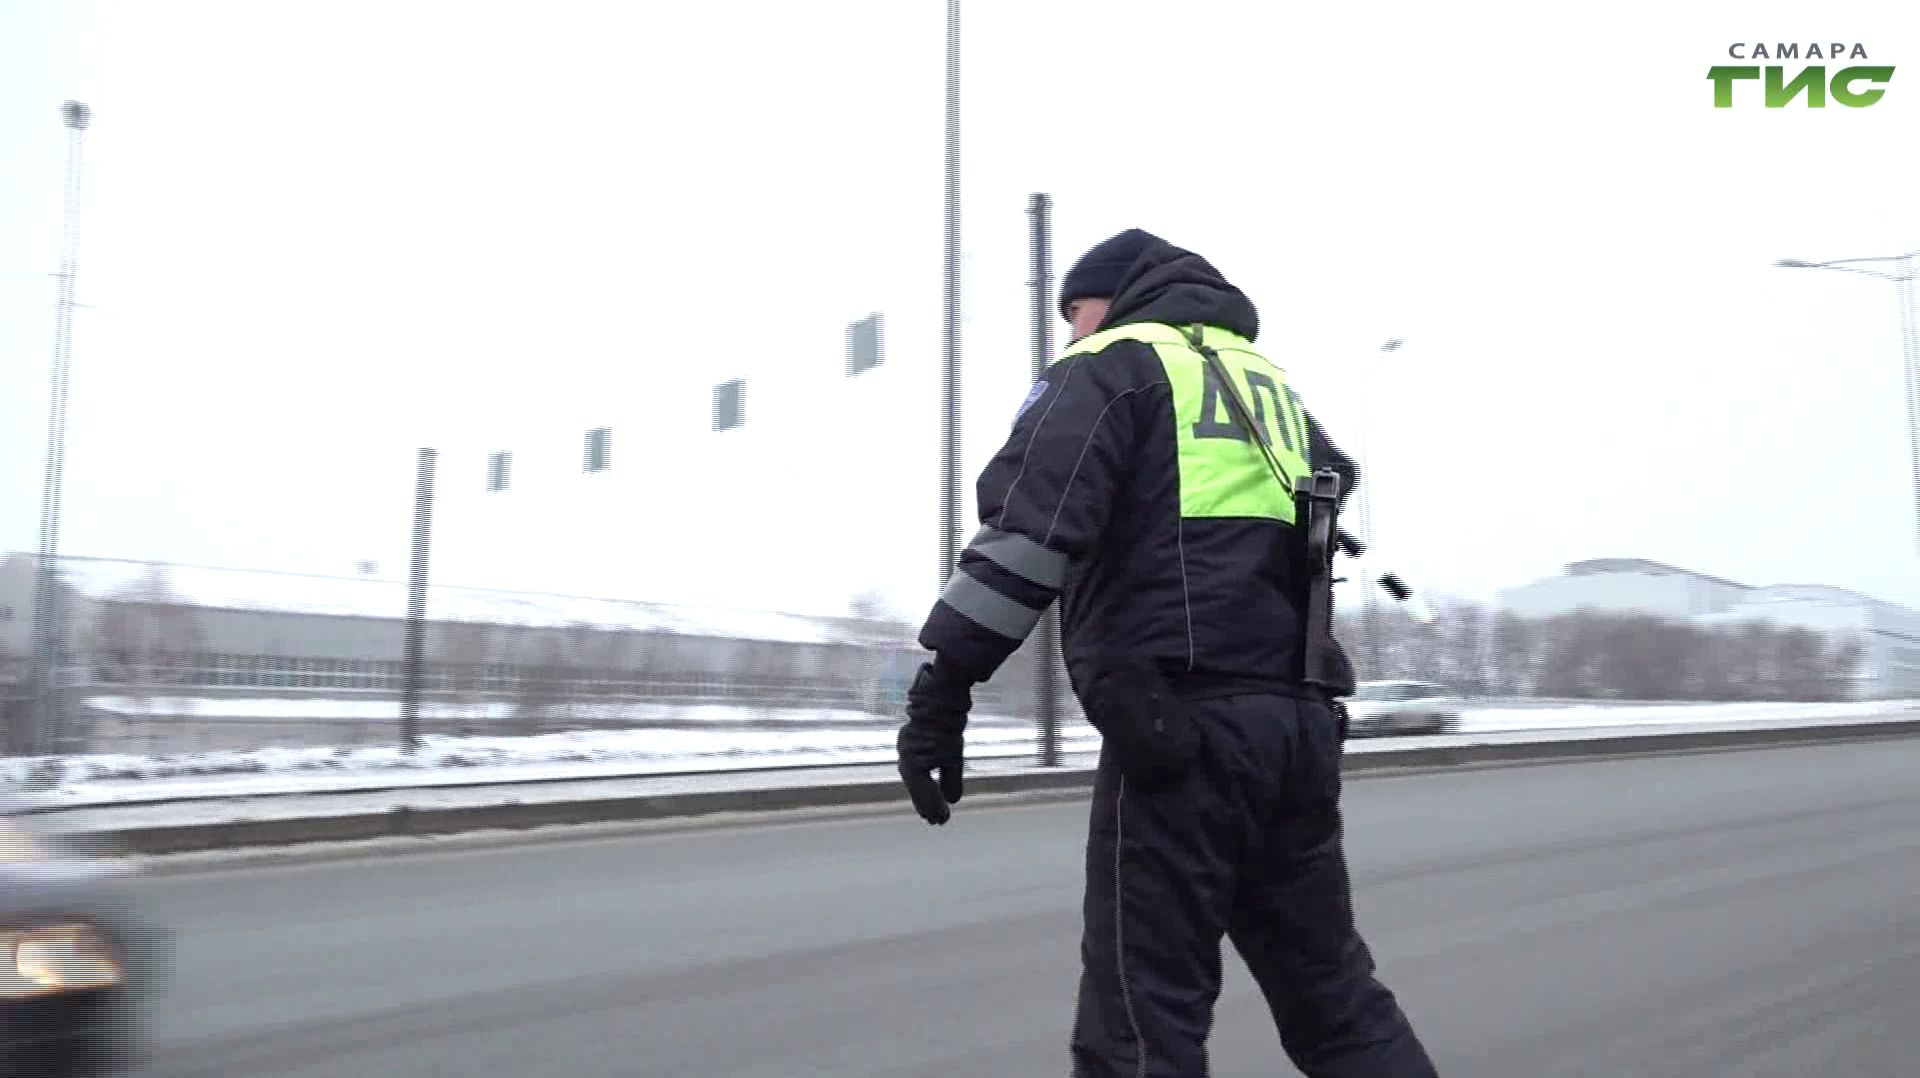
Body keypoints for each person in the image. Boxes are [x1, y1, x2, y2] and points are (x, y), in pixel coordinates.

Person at [896, 228, 1440, 1077]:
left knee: (1142, 1018)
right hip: (1297, 726)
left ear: (1109, 300)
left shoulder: (1111, 367)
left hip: (1176, 729)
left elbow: (1026, 542)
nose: (1070, 336)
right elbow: (1332, 484)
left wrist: (943, 691)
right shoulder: (1269, 387)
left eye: (1073, 314)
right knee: (1333, 996)